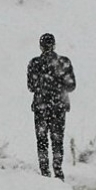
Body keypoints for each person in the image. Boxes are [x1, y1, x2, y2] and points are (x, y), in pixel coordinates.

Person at [27, 33, 76, 181]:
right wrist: (58, 85)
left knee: (41, 140)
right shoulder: (64, 62)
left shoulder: (34, 63)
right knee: (57, 139)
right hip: (59, 107)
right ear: (54, 45)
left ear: (40, 46)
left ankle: (45, 171)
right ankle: (58, 171)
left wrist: (43, 84)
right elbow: (72, 86)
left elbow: (31, 86)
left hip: (41, 106)